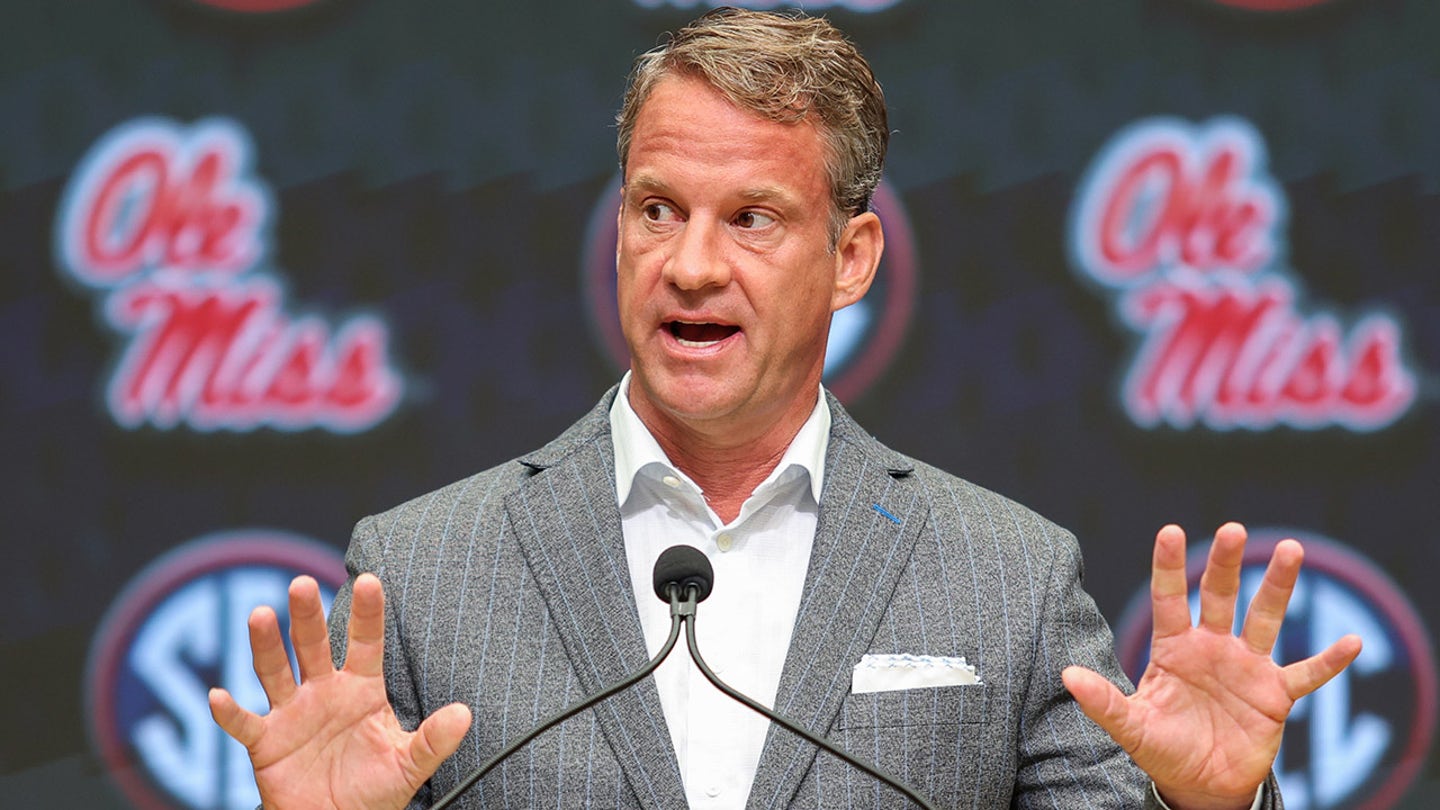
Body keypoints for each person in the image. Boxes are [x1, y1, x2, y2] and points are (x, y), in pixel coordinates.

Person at [209, 8, 1361, 809]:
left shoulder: (1008, 578)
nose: (690, 266)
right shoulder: (422, 572)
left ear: (851, 258)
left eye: (751, 219)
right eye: (658, 210)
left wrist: (1210, 807)